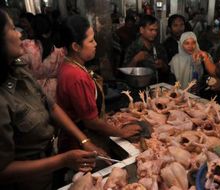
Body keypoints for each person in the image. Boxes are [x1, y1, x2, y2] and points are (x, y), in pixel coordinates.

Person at [0, 9, 108, 190]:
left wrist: (84, 141)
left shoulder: (18, 70)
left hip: (50, 159)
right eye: (12, 28)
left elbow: (51, 106)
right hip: (28, 181)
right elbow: (3, 171)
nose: (19, 33)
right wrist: (63, 160)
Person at [56, 15, 141, 154]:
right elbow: (91, 122)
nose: (95, 44)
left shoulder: (71, 64)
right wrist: (121, 132)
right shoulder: (76, 75)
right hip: (79, 143)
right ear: (76, 46)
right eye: (91, 41)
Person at [20, 14, 65, 101]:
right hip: (56, 93)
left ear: (32, 28)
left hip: (34, 93)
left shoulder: (26, 46)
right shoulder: (59, 51)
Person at [123, 15, 169, 83]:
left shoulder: (159, 47)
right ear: (141, 30)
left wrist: (163, 65)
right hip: (138, 89)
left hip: (157, 88)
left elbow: (167, 70)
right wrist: (135, 59)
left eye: (156, 30)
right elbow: (125, 73)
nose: (154, 33)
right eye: (151, 30)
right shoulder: (133, 48)